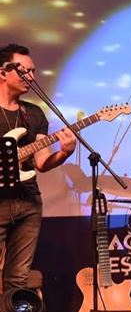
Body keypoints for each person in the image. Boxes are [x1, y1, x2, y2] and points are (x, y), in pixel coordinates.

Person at [0, 43, 77, 291]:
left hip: (28, 202)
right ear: (3, 72)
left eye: (33, 71)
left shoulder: (33, 114)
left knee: (17, 280)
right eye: (25, 71)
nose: (32, 77)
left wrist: (64, 153)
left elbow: (42, 163)